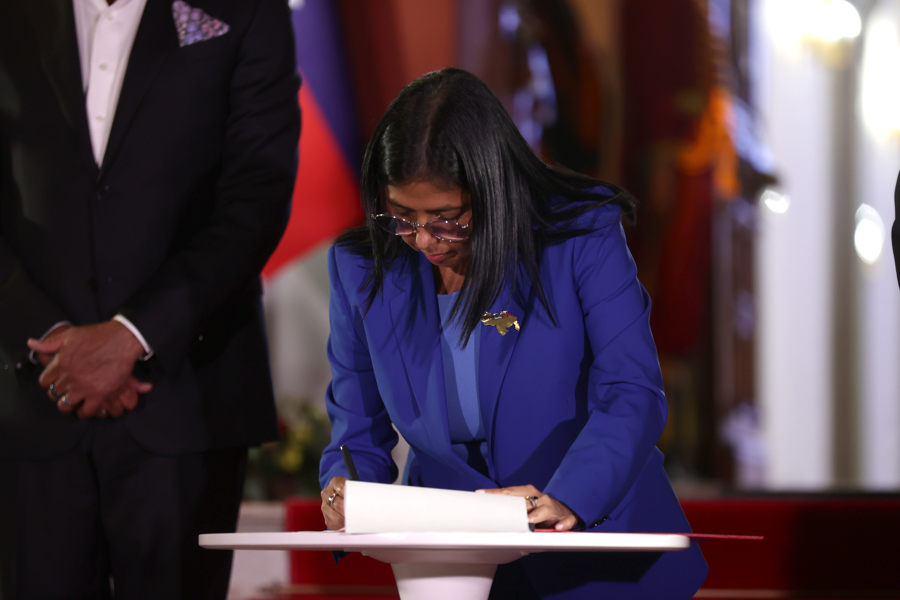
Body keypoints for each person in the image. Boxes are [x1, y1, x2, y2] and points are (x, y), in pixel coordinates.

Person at [318, 68, 707, 599]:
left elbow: (632, 391)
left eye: (446, 218)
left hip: (594, 545)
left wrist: (570, 496)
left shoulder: (579, 235)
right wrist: (346, 492)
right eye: (401, 217)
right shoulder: (363, 269)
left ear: (491, 188)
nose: (423, 240)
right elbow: (357, 425)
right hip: (453, 560)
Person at [0, 0, 300, 598]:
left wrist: (133, 335)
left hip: (187, 394)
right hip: (29, 399)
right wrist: (48, 334)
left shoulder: (246, 10)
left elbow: (257, 195)